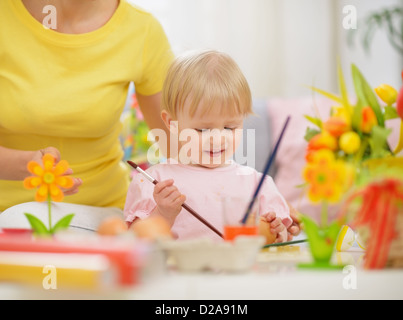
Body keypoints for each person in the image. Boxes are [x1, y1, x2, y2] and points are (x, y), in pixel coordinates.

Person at [0, 0, 173, 228]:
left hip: (104, 220)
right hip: (8, 218)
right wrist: (26, 164)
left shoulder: (142, 30)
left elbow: (179, 144)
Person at [124, 50, 294, 242]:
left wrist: (277, 230)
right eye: (203, 130)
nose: (217, 139)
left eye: (230, 127)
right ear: (172, 123)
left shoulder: (257, 183)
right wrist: (163, 213)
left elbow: (282, 239)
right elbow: (135, 240)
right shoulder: (155, 182)